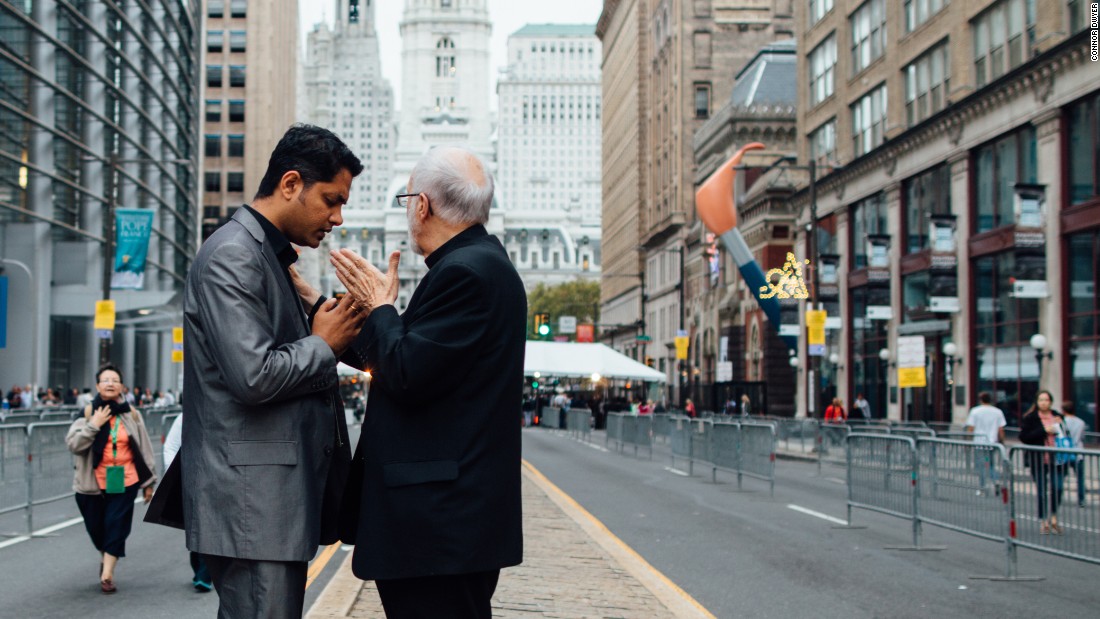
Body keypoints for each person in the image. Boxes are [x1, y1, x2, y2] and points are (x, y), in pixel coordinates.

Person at [330, 146, 525, 618]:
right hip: (446, 528)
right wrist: (323, 306)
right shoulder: (474, 266)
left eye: (407, 199)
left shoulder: (467, 274)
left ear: (422, 205)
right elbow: (399, 357)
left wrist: (380, 305)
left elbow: (404, 370)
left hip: (439, 527)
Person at [177, 124, 364, 618]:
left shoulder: (267, 256)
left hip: (269, 505)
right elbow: (253, 375)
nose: (337, 218)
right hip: (253, 506)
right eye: (330, 200)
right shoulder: (235, 255)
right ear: (289, 184)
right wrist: (323, 343)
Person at [65, 364, 158, 593]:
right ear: (97, 386)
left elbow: (145, 448)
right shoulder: (88, 413)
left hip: (125, 479)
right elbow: (74, 445)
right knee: (97, 529)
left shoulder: (131, 414)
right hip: (91, 483)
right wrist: (93, 426)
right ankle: (106, 555)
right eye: (105, 380)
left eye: (115, 380)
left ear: (122, 386)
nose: (110, 383)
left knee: (117, 525)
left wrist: (149, 483)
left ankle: (107, 574)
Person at [162, 414, 211, 592]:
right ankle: (200, 569)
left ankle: (205, 575)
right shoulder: (184, 417)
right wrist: (173, 476)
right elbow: (171, 447)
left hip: (219, 481)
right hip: (191, 480)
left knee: (211, 527)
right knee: (197, 529)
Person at [1019, 390, 1068, 535]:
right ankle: (1043, 521)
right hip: (1039, 459)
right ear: (1037, 402)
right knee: (1042, 491)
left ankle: (1053, 516)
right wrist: (1044, 430)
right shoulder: (1031, 418)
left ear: (1051, 402)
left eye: (1046, 400)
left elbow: (1067, 435)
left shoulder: (1058, 416)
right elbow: (1024, 437)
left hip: (1057, 458)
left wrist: (1061, 426)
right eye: (1041, 400)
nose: (1044, 403)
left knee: (1058, 487)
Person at [965, 392, 1007, 495]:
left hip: (979, 442)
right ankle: (995, 480)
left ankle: (982, 487)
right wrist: (1002, 441)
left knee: (981, 465)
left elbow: (971, 428)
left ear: (980, 400)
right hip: (992, 443)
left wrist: (968, 440)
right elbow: (1001, 429)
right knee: (990, 464)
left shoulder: (975, 411)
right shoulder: (998, 412)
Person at [1062, 400, 1087, 508]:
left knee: (1061, 476)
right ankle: (1081, 499)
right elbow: (1083, 437)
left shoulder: (1062, 422)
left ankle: (1059, 496)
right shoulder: (1081, 422)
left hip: (1065, 452)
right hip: (1078, 452)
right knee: (1080, 478)